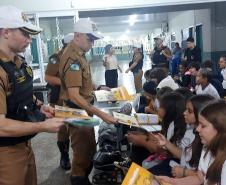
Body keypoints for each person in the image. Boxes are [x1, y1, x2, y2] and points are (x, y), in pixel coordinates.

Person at [0, 5, 64, 185]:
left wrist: (39, 105)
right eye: (25, 34)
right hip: (5, 153)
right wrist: (43, 126)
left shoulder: (18, 62)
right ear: (6, 32)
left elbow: (21, 94)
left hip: (24, 144)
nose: (30, 40)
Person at [59, 18, 117, 185]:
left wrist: (98, 86)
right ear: (77, 36)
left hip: (83, 109)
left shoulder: (80, 55)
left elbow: (82, 82)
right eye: (89, 39)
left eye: (94, 40)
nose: (92, 43)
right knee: (83, 153)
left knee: (90, 147)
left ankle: (82, 177)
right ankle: (79, 179)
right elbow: (74, 95)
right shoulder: (73, 59)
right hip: (76, 110)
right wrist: (101, 114)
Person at [155, 100, 226, 185]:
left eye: (203, 126)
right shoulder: (206, 147)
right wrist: (172, 181)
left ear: (220, 129)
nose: (197, 129)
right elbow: (199, 178)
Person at [45, 33, 74, 170]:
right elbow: (48, 77)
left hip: (74, 98)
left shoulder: (75, 57)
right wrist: (66, 84)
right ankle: (64, 156)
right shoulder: (55, 58)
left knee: (76, 127)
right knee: (62, 128)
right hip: (59, 99)